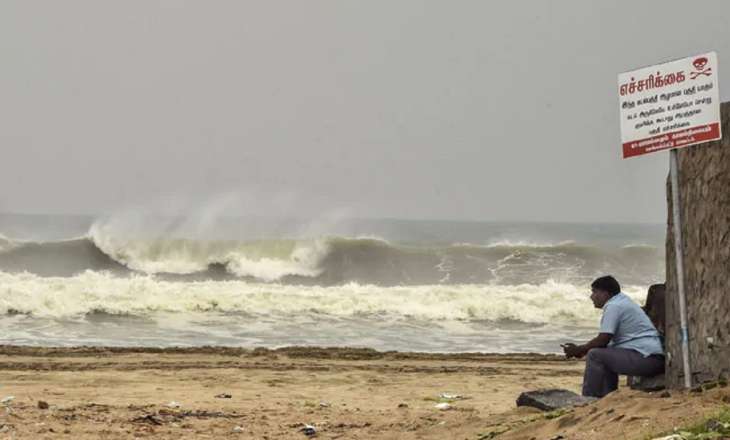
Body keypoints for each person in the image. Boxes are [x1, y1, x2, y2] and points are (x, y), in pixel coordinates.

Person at [563, 275, 665, 398]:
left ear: (605, 293)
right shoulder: (622, 301)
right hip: (649, 357)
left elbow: (603, 340)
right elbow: (605, 343)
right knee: (603, 354)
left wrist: (579, 350)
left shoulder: (614, 306)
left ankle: (589, 399)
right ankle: (608, 397)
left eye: (594, 292)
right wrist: (581, 350)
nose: (591, 297)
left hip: (647, 359)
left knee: (595, 355)